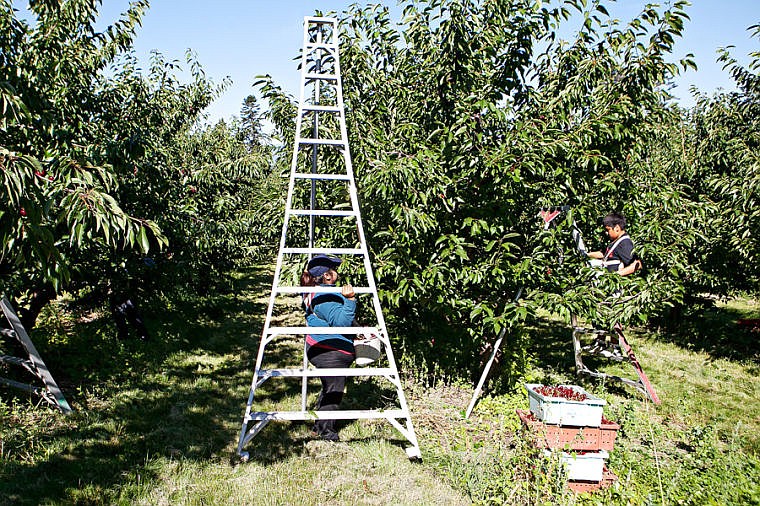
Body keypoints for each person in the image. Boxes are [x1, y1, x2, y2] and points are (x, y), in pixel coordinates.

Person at [300, 254, 356, 442]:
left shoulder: (312, 292)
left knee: (329, 386)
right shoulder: (325, 296)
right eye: (334, 269)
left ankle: (318, 426)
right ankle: (327, 433)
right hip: (330, 349)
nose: (337, 273)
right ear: (328, 276)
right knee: (334, 389)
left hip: (321, 347)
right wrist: (350, 301)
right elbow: (341, 323)